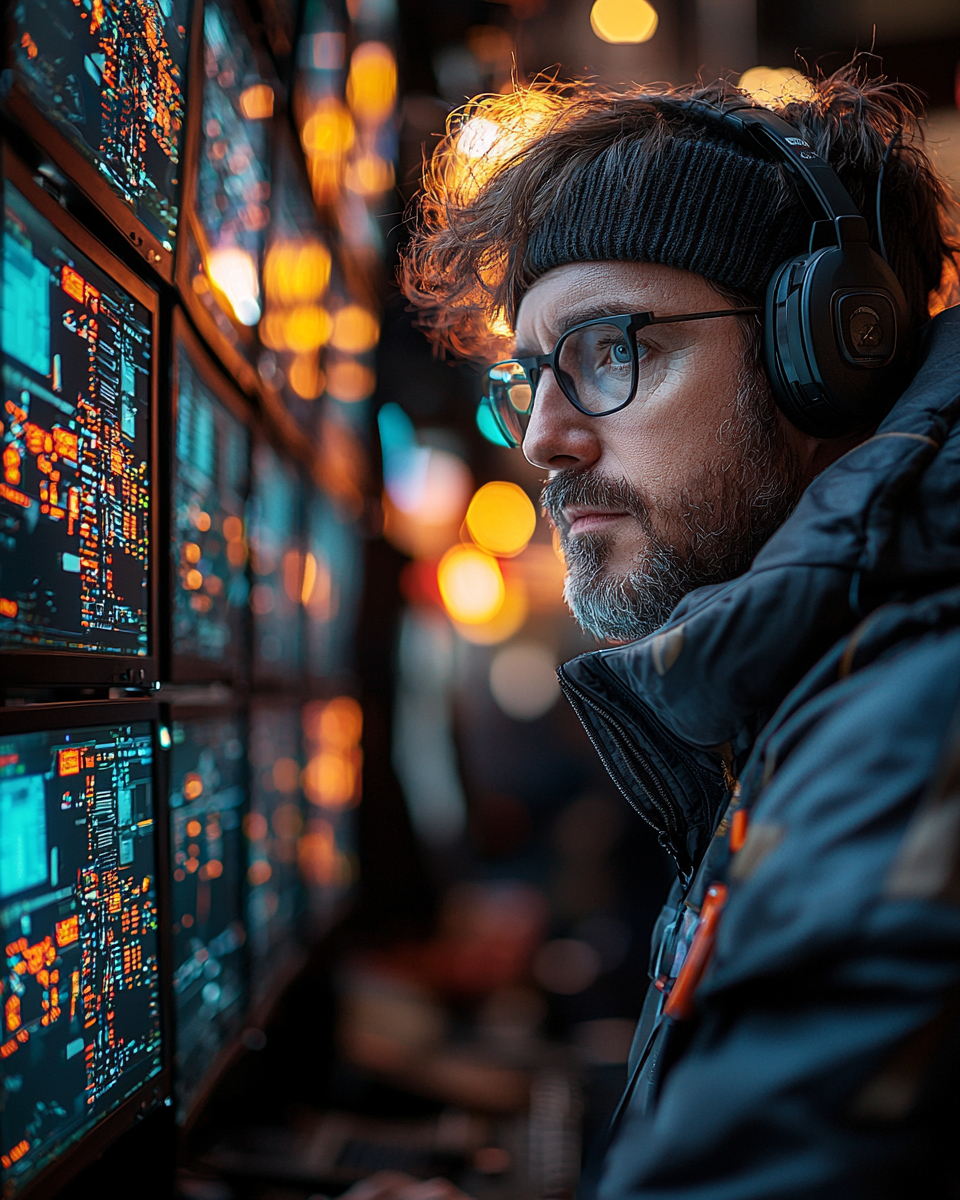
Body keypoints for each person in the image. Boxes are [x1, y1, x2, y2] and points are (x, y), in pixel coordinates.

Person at [390, 66, 960, 1197]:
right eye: (532, 378)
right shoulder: (820, 695)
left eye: (609, 350)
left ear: (827, 354)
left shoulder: (912, 726)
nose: (546, 438)